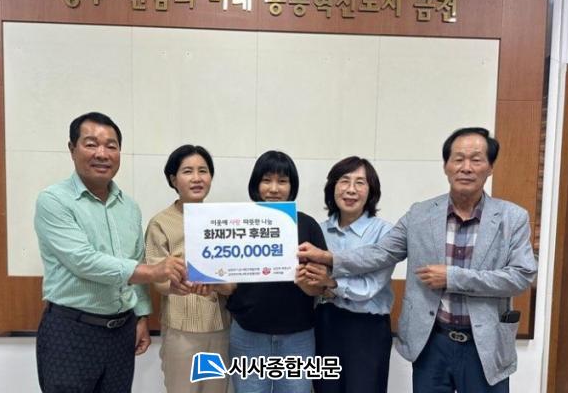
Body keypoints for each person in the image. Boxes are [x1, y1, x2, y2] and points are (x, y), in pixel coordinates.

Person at [299, 127, 538, 393]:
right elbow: (381, 253)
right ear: (446, 166)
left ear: (490, 167)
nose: (466, 168)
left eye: (476, 159)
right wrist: (329, 257)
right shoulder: (420, 214)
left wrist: (452, 277)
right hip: (432, 341)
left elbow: (521, 275)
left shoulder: (512, 217)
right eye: (458, 159)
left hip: (486, 345)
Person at [34, 112, 187, 393]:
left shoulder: (129, 207)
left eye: (111, 146)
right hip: (71, 330)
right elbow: (83, 261)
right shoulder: (54, 201)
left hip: (121, 331)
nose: (102, 154)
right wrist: (154, 271)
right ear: (72, 149)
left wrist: (141, 316)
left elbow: (136, 262)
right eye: (91, 144)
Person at [226, 150, 326, 393]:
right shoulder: (237, 223)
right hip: (248, 333)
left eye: (282, 181)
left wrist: (306, 283)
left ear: (292, 187)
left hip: (297, 337)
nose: (274, 189)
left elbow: (320, 287)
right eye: (266, 180)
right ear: (256, 184)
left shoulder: (308, 225)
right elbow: (228, 283)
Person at [300, 156, 394, 393]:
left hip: (368, 329)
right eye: (344, 181)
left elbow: (371, 286)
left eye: (360, 183)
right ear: (332, 188)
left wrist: (330, 283)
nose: (351, 189)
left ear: (371, 191)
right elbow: (311, 281)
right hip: (325, 324)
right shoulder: (318, 230)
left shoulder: (385, 233)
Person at [145, 144, 234, 393]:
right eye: (187, 171)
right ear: (173, 179)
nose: (196, 178)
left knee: (216, 390)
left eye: (203, 171)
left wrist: (220, 284)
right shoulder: (160, 223)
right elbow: (158, 280)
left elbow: (232, 281)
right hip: (181, 331)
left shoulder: (223, 220)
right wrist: (181, 279)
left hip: (219, 328)